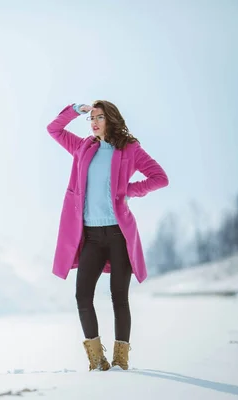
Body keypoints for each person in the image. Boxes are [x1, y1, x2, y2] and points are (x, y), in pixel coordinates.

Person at [46, 100, 169, 371]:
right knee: (82, 296)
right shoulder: (82, 148)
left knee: (119, 297)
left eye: (99, 117)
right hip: (90, 237)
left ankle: (121, 361)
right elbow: (53, 129)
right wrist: (75, 109)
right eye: (90, 117)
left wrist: (127, 190)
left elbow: (160, 178)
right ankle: (96, 360)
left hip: (118, 237)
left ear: (111, 119)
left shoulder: (130, 150)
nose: (93, 121)